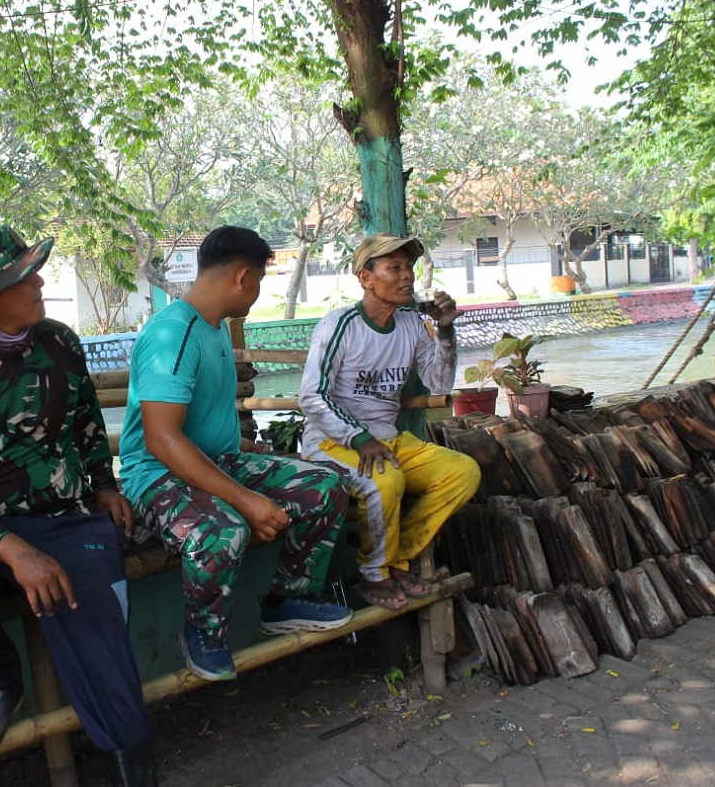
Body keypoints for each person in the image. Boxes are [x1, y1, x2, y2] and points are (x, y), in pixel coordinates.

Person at [0, 227, 156, 786]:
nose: (41, 280)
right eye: (25, 277)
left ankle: (130, 768)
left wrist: (104, 486)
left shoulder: (60, 343)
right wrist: (12, 548)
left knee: (101, 629)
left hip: (66, 518)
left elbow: (89, 426)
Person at [119, 225, 352, 683]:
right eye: (261, 282)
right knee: (221, 530)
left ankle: (288, 598)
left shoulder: (214, 327)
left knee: (323, 485)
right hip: (156, 476)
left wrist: (252, 453)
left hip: (215, 464)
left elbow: (203, 422)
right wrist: (246, 500)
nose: (258, 293)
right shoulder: (173, 335)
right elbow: (162, 441)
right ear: (243, 277)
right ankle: (203, 633)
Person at [298, 234, 480, 610]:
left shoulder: (413, 323)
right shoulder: (340, 325)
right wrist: (358, 437)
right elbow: (312, 396)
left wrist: (446, 330)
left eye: (408, 268)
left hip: (387, 439)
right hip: (333, 444)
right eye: (394, 268)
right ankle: (373, 575)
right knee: (386, 479)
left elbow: (439, 382)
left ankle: (395, 559)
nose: (406, 277)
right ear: (365, 277)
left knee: (463, 472)